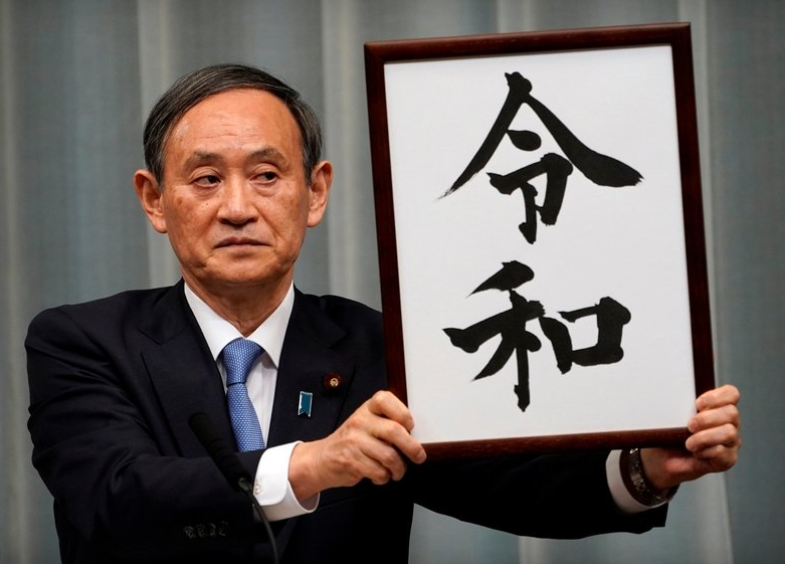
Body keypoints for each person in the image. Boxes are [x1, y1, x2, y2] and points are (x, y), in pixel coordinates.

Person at [26, 64, 740, 564]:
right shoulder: (82, 341)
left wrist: (648, 468)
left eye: (267, 175)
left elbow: (508, 485)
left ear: (315, 192)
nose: (238, 207)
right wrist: (313, 464)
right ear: (155, 199)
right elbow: (112, 499)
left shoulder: (381, 348)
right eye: (206, 178)